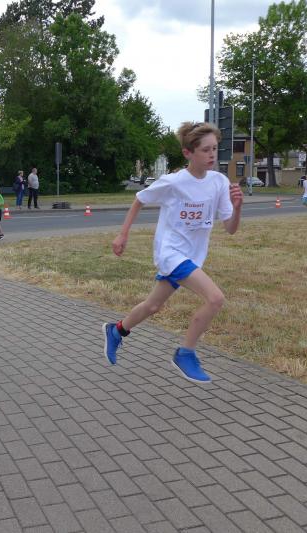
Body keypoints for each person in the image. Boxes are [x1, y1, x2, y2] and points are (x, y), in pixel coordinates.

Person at [102, 121, 243, 384]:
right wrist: (123, 234)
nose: (212, 155)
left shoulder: (219, 182)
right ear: (188, 153)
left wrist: (237, 208)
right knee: (215, 299)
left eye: (214, 149)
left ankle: (117, 330)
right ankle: (185, 353)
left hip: (192, 256)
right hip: (171, 253)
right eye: (205, 150)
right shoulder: (174, 182)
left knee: (153, 305)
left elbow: (231, 228)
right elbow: (139, 199)